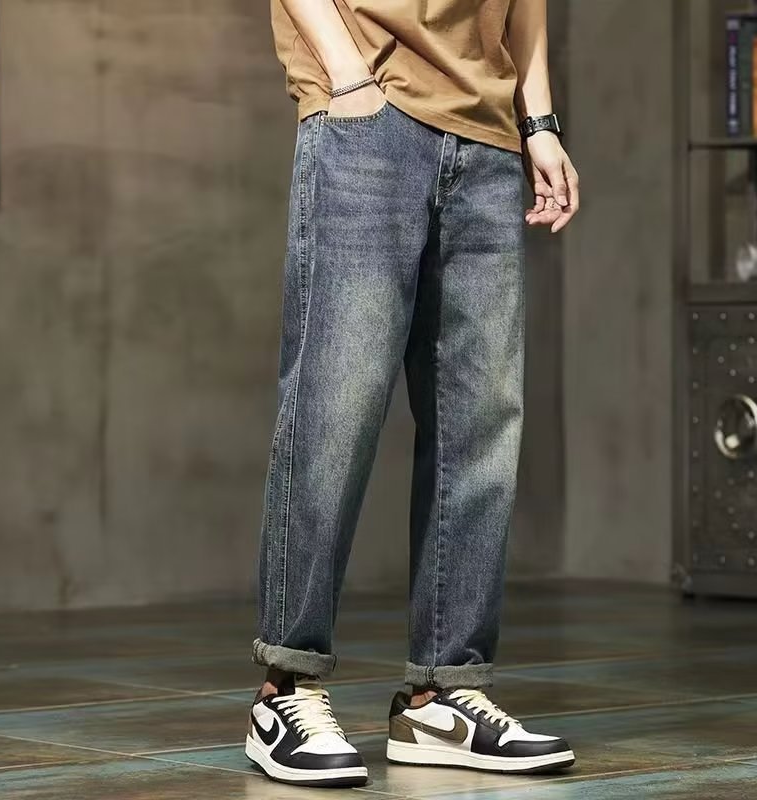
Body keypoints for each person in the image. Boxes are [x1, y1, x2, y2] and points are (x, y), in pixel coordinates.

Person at [246, 0, 580, 787]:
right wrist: (347, 74)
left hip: (488, 133)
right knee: (335, 411)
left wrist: (537, 122)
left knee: (480, 426)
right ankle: (285, 689)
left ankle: (443, 694)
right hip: (368, 115)